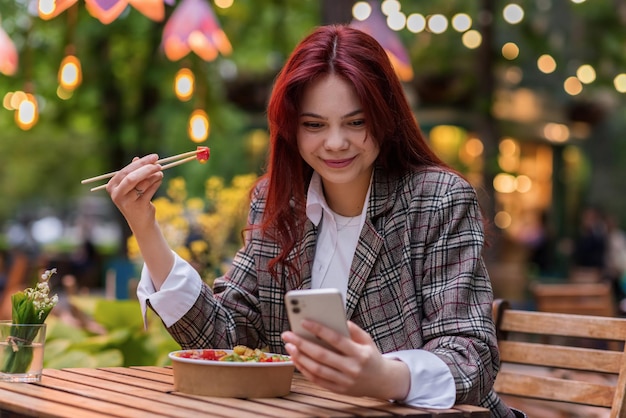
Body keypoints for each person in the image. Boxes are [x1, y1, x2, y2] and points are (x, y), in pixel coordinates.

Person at [105, 25, 518, 417]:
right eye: (314, 125)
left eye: (356, 122)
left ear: (385, 117)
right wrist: (145, 227)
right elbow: (226, 339)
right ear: (291, 130)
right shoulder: (280, 202)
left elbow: (472, 358)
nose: (335, 142)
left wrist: (383, 376)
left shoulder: (437, 200)